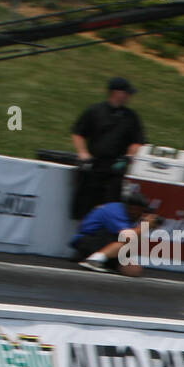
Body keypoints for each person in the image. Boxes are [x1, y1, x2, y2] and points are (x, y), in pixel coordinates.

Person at [70, 77, 145, 220]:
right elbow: (78, 133)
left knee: (110, 209)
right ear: (116, 93)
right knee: (85, 207)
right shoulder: (94, 111)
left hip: (115, 170)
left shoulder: (131, 117)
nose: (128, 96)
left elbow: (137, 141)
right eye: (126, 93)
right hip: (93, 166)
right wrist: (83, 153)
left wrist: (128, 156)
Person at [68, 188, 158, 277]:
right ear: (133, 208)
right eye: (140, 211)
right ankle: (94, 260)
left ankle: (96, 258)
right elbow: (128, 237)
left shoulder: (129, 216)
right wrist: (145, 225)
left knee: (134, 270)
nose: (141, 214)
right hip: (88, 239)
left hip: (104, 243)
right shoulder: (116, 210)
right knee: (126, 242)